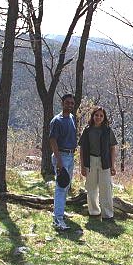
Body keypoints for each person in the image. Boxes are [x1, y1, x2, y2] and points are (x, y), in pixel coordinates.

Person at [78, 106, 118, 221]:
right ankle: (94, 212)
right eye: (96, 115)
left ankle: (107, 214)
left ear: (104, 117)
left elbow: (112, 148)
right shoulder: (87, 130)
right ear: (92, 116)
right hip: (90, 161)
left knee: (106, 188)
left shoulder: (107, 131)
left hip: (104, 162)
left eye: (101, 115)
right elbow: (82, 149)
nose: (98, 117)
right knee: (91, 188)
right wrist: (82, 166)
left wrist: (113, 166)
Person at [49, 94, 77, 231]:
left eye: (72, 103)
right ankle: (58, 219)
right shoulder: (57, 121)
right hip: (61, 155)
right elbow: (53, 140)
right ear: (62, 103)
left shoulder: (72, 118)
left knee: (65, 185)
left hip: (70, 155)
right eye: (67, 103)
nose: (70, 105)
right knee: (61, 186)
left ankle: (60, 211)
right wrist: (59, 161)